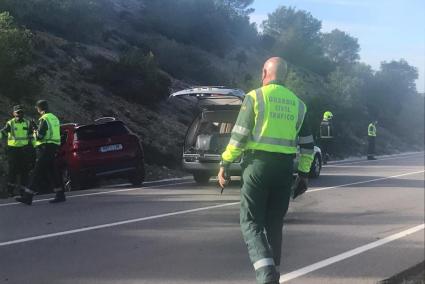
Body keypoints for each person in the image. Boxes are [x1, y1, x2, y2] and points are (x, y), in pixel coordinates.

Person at [217, 57, 314, 284]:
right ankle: (274, 275)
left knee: (250, 221)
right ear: (285, 76)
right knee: (274, 224)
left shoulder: (255, 97)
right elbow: (308, 145)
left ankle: (266, 274)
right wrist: (303, 174)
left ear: (264, 73)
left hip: (257, 166)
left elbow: (239, 136)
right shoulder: (299, 104)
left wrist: (225, 162)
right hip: (284, 169)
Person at [16, 100, 65, 205]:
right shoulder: (54, 117)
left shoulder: (44, 119)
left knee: (36, 172)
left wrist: (34, 128)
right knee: (52, 171)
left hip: (46, 147)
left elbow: (40, 136)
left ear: (40, 108)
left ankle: (28, 197)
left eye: (37, 108)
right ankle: (60, 194)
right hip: (54, 146)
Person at [0, 105, 35, 197]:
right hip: (13, 150)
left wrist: (35, 147)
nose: (20, 114)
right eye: (18, 112)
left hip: (24, 150)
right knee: (13, 171)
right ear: (14, 113)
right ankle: (10, 191)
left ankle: (23, 191)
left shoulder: (27, 123)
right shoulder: (10, 123)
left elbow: (32, 137)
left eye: (21, 112)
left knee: (25, 171)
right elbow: (2, 133)